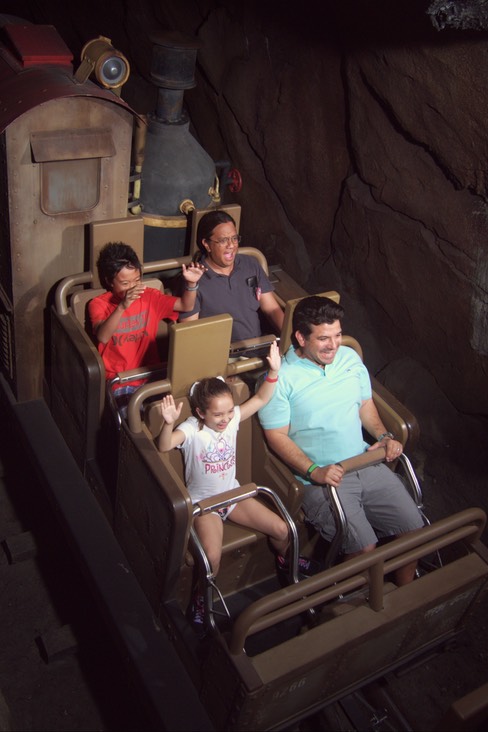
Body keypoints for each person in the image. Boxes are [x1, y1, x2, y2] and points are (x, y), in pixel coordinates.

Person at [258, 295, 424, 586]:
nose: (333, 345)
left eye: (337, 335)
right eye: (323, 338)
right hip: (323, 478)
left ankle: (406, 592)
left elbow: (365, 404)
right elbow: (276, 436)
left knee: (414, 529)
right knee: (363, 548)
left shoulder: (349, 357)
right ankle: (347, 603)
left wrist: (383, 436)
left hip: (364, 462)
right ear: (301, 337)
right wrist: (314, 471)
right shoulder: (280, 378)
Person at [157, 341, 312, 629]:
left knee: (282, 529)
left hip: (234, 496)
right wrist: (168, 423)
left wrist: (274, 371)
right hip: (207, 506)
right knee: (212, 556)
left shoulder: (233, 419)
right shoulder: (191, 429)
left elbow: (261, 398)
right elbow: (165, 445)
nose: (225, 419)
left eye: (229, 412)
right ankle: (202, 600)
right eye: (218, 415)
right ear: (201, 412)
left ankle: (286, 563)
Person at [88, 241, 206, 412]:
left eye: (137, 280)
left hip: (152, 374)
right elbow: (103, 336)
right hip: (120, 380)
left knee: (177, 411)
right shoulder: (98, 304)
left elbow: (186, 306)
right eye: (125, 283)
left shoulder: (149, 296)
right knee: (134, 418)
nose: (132, 287)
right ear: (109, 281)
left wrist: (191, 285)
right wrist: (122, 306)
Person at [178, 209, 284, 342]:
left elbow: (272, 309)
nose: (231, 245)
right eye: (223, 240)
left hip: (258, 345)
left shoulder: (250, 264)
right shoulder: (193, 280)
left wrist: (291, 338)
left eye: (234, 238)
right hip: (222, 352)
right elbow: (189, 332)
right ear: (207, 244)